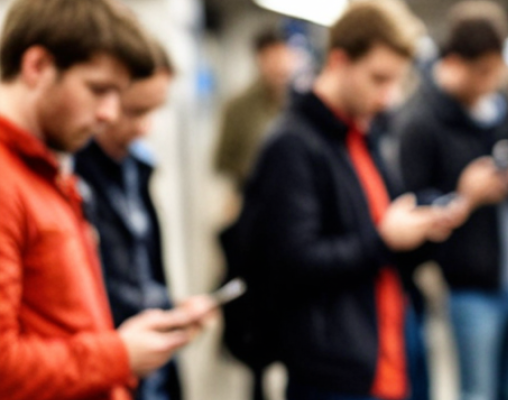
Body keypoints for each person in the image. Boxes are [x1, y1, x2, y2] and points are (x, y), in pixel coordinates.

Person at [231, 2, 459, 399]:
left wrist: (425, 220)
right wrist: (385, 240)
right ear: (339, 61)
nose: (388, 97)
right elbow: (294, 262)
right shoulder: (293, 145)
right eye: (378, 79)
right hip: (333, 371)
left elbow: (381, 224)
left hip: (388, 349)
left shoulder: (363, 136)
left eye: (395, 83)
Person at [0, 1, 214, 399]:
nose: (108, 114)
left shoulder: (47, 171)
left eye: (118, 95)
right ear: (37, 66)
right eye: (98, 90)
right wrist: (118, 354)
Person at [392, 2, 508, 399]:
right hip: (469, 287)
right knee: (478, 392)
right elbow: (411, 206)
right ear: (456, 63)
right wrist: (465, 197)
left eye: (497, 71)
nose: (492, 82)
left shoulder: (501, 110)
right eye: (483, 72)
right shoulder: (420, 122)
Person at [73, 39, 183, 400]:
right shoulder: (71, 175)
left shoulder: (138, 167)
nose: (145, 128)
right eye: (135, 112)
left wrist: (172, 312)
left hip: (147, 370)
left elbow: (142, 270)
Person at [213, 26, 299, 191]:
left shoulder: (301, 103)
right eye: (272, 58)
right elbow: (223, 162)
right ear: (259, 59)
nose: (280, 65)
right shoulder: (238, 108)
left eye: (283, 56)